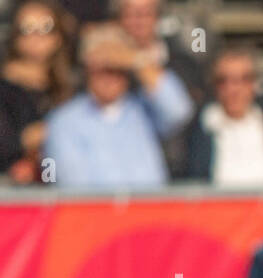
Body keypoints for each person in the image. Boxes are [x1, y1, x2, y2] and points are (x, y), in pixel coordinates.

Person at [43, 21, 192, 188]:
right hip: (95, 211)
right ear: (86, 69)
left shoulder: (143, 110)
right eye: (101, 69)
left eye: (116, 68)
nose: (109, 77)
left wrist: (134, 59)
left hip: (150, 211)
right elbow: (73, 186)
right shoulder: (64, 122)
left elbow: (179, 111)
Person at [184, 48, 263, 187]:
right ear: (213, 85)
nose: (233, 89)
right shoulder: (198, 131)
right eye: (223, 80)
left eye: (244, 79)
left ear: (255, 83)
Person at [0, 0, 76, 183]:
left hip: (63, 181)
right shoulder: (5, 89)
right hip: (16, 186)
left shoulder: (70, 85)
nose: (35, 36)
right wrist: (25, 140)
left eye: (45, 27)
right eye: (26, 28)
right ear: (15, 36)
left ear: (58, 37)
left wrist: (52, 131)